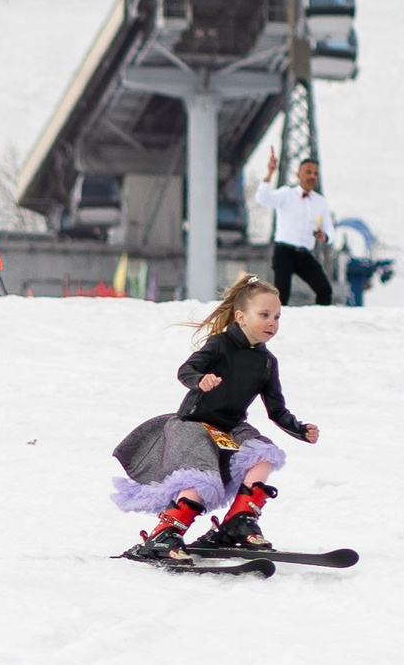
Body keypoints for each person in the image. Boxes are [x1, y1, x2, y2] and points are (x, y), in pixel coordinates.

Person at [111, 275, 320, 561]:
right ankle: (165, 533)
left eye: (277, 317)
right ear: (240, 317)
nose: (273, 322)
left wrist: (299, 429)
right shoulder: (219, 344)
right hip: (193, 424)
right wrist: (200, 380)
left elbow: (276, 410)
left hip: (231, 426)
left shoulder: (267, 362)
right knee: (199, 476)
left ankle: (239, 521)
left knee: (263, 454)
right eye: (264, 315)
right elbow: (185, 370)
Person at [249, 149, 336, 307]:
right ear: (298, 175)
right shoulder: (286, 194)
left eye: (315, 174)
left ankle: (321, 323)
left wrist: (326, 236)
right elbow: (262, 198)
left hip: (304, 254)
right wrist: (269, 174)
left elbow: (330, 229)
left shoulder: (320, 202)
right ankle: (277, 327)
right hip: (284, 253)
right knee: (281, 295)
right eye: (308, 172)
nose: (312, 176)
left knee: (325, 290)